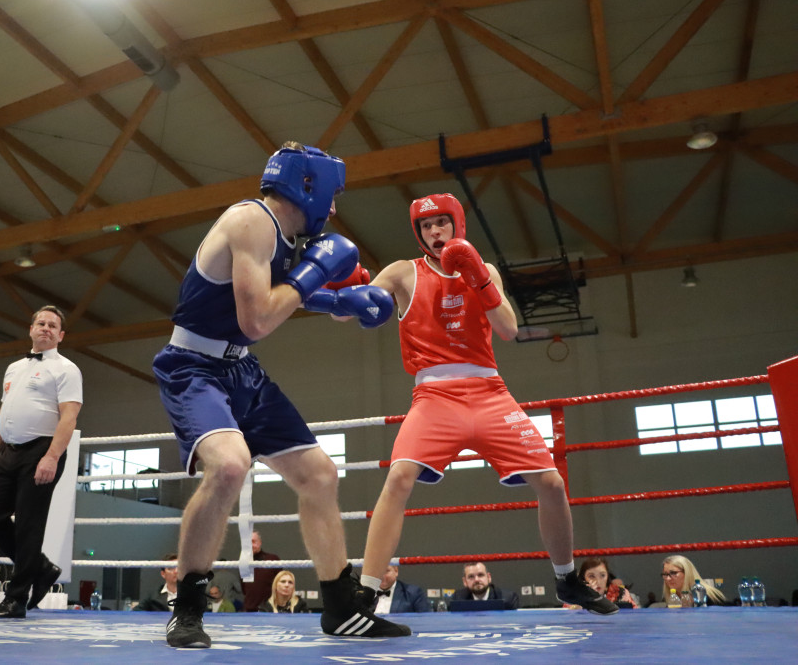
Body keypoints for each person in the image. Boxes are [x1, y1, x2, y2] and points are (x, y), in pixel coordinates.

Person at [152, 142, 408, 648]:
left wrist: (347, 301)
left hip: (241, 369)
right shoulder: (251, 221)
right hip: (194, 367)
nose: (334, 209)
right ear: (307, 186)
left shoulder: (286, 238)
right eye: (331, 195)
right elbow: (258, 318)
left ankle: (340, 606)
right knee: (229, 466)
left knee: (319, 475)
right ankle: (187, 608)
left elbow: (282, 296)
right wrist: (315, 273)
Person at [356, 193, 617, 616]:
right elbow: (351, 311)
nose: (434, 232)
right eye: (426, 226)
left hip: (489, 392)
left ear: (457, 224)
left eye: (441, 222)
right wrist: (340, 290)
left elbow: (510, 329)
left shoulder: (487, 269)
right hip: (433, 396)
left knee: (551, 483)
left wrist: (477, 277)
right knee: (399, 477)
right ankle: (365, 592)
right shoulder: (404, 273)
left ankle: (567, 579)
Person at [0, 305, 83, 619]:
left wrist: (52, 456)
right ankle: (40, 567)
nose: (46, 328)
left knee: (28, 525)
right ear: (31, 329)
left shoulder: (66, 368)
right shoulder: (13, 368)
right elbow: (3, 413)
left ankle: (16, 599)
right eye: (41, 323)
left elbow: (70, 416)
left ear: (60, 335)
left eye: (53, 325)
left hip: (41, 450)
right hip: (9, 452)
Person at [564, 558, 638, 609]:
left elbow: (636, 618)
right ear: (583, 578)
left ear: (607, 576)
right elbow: (564, 621)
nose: (598, 581)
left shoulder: (621, 593)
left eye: (602, 575)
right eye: (591, 576)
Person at [658, 554, 725, 606]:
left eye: (673, 573)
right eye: (665, 574)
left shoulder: (709, 597)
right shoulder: (671, 598)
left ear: (687, 572)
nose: (668, 578)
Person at [242, 530, 282, 612]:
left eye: (253, 541)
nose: (250, 545)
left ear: (260, 542)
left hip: (269, 610)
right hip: (249, 611)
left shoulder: (272, 559)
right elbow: (244, 589)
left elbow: (281, 585)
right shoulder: (243, 563)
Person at [451, 562, 520, 609]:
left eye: (480, 575)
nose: (476, 580)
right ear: (465, 581)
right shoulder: (457, 599)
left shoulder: (507, 599)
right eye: (471, 577)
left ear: (489, 577)